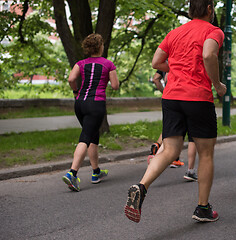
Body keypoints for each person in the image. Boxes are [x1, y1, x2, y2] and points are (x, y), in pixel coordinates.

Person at [124, 0, 226, 223]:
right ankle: (202, 208)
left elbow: (156, 62)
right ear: (209, 9)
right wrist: (217, 85)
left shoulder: (175, 32)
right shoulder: (213, 31)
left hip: (171, 97)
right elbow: (209, 55)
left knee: (169, 149)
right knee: (206, 153)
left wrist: (179, 66)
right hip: (197, 97)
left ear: (190, 10)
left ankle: (141, 186)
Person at [62, 33, 119, 192]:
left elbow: (71, 79)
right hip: (96, 104)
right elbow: (115, 86)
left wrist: (75, 92)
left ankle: (96, 172)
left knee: (92, 134)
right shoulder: (108, 64)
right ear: (101, 47)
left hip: (80, 103)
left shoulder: (80, 63)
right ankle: (72, 173)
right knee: (86, 137)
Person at [149, 70, 185, 168]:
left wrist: (164, 92)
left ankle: (157, 145)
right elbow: (167, 78)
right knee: (178, 128)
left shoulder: (164, 60)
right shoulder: (176, 59)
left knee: (170, 126)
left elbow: (156, 79)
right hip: (180, 96)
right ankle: (174, 158)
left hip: (168, 97)